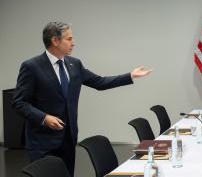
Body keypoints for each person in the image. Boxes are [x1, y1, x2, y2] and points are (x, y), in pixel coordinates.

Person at [12, 21, 153, 176]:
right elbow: (19, 102)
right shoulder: (32, 66)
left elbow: (99, 82)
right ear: (55, 40)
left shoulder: (74, 64)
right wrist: (44, 118)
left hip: (68, 138)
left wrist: (130, 76)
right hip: (42, 141)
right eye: (69, 39)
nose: (74, 43)